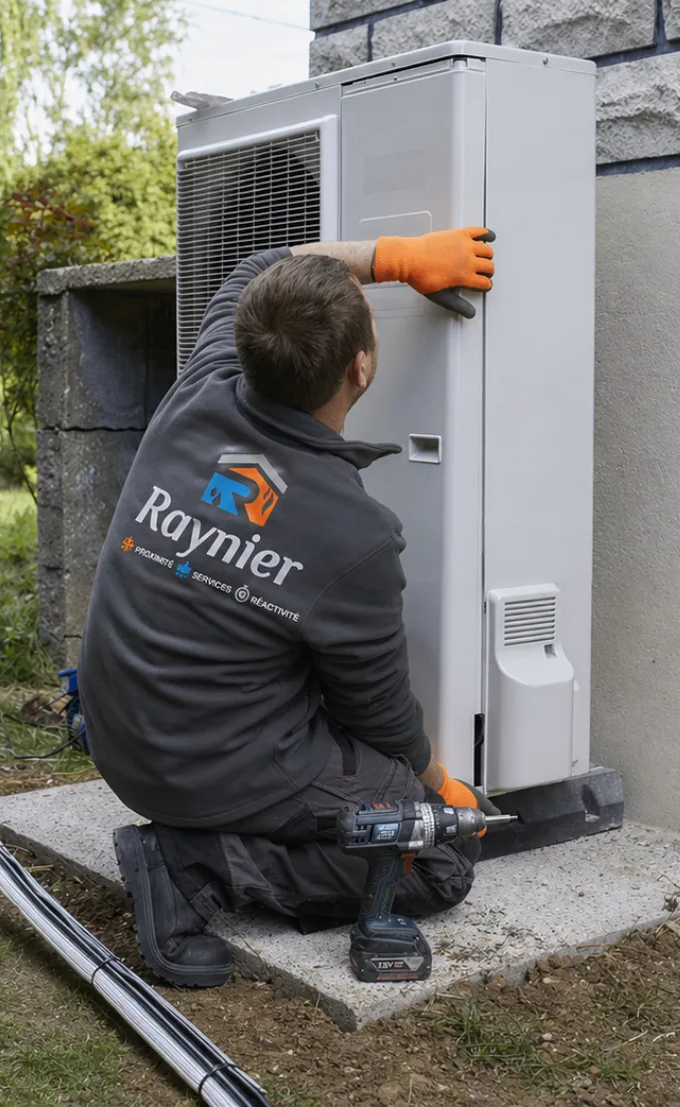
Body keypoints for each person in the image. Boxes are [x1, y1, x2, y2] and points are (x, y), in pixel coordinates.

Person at [77, 229, 499, 987]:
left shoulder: (201, 386)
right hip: (193, 763)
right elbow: (378, 714)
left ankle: (206, 834)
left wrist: (395, 256)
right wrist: (437, 786)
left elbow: (260, 260)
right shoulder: (356, 534)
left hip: (119, 732)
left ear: (246, 342)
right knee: (436, 852)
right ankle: (192, 864)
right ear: (360, 365)